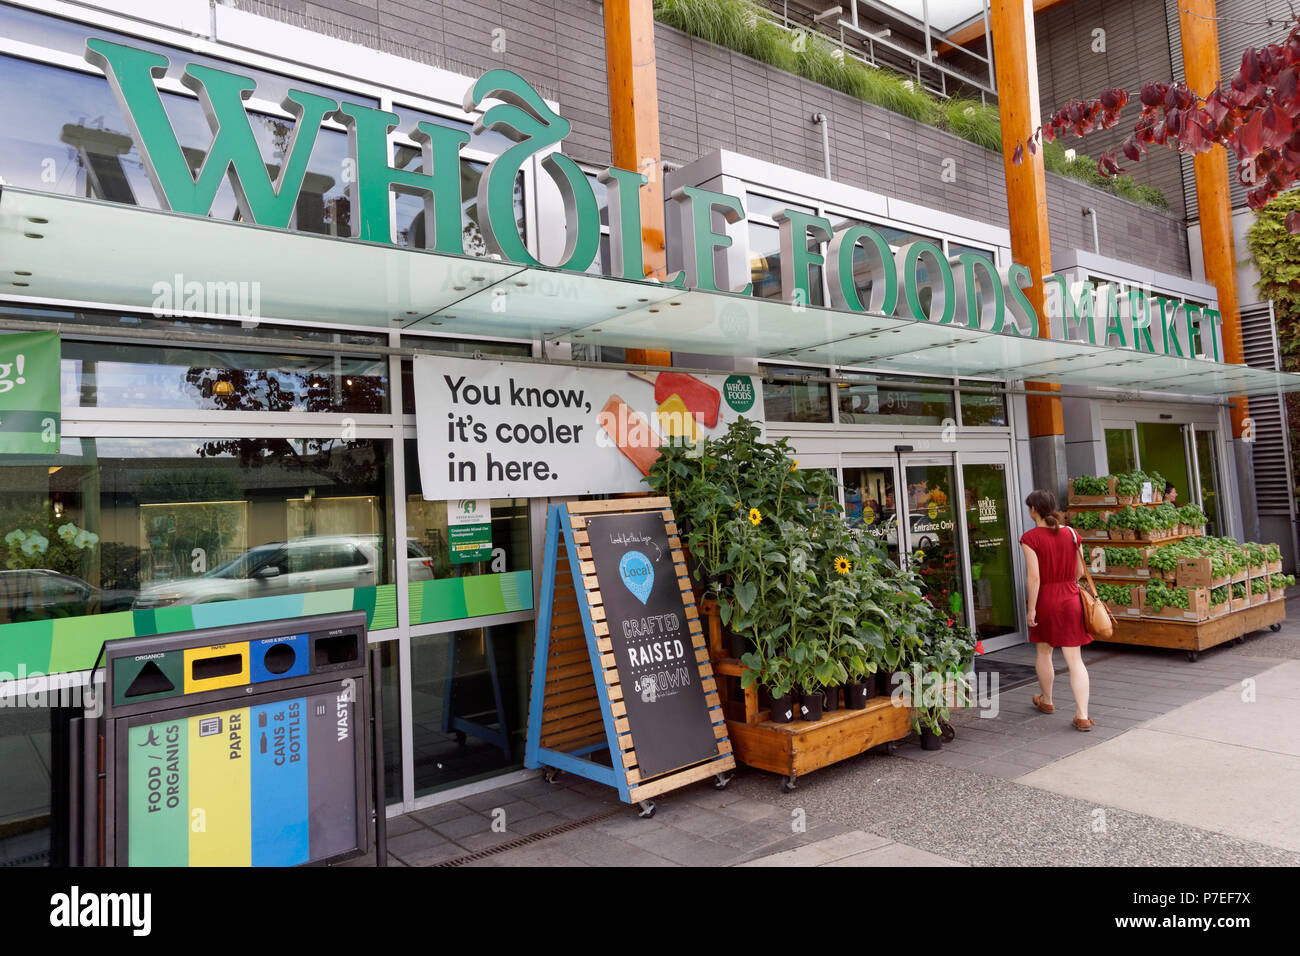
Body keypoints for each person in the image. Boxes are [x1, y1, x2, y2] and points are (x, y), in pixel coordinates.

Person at [1019, 489, 1095, 731]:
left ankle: (1047, 700)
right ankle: (1082, 715)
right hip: (1071, 598)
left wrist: (1032, 610)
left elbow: (1034, 578)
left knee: (1044, 651)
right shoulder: (1072, 534)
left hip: (1046, 600)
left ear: (1033, 510)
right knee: (1075, 660)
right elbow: (1079, 573)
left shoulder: (1030, 538)